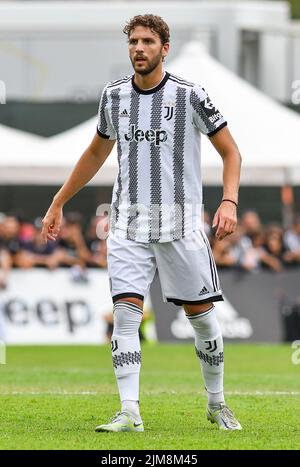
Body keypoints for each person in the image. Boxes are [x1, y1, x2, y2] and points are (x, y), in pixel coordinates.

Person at [42, 14, 242, 432]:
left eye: (148, 41)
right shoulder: (113, 97)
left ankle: (216, 403)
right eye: (133, 41)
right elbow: (95, 153)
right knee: (126, 314)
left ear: (164, 48)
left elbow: (231, 152)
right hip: (128, 226)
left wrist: (228, 201)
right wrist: (58, 202)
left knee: (202, 317)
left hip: (181, 225)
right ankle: (129, 411)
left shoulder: (190, 95)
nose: (139, 48)